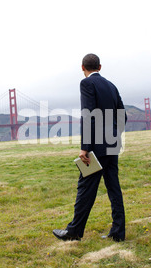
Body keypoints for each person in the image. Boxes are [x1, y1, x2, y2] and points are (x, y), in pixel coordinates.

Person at [53, 53, 127, 242]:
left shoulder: (86, 84)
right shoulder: (112, 86)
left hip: (96, 147)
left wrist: (84, 147)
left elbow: (88, 115)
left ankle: (74, 232)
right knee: (113, 187)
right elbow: (123, 116)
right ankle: (118, 232)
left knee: (85, 188)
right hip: (113, 144)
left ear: (82, 67)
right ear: (100, 67)